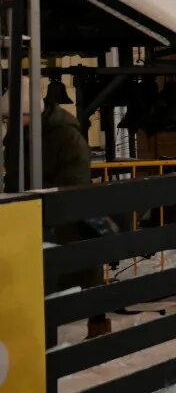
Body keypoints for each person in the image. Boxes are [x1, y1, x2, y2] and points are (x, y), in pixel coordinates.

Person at [4, 83, 108, 337]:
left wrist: (40, 194)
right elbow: (14, 172)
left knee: (85, 271)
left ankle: (98, 327)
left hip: (67, 215)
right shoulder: (19, 136)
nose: (8, 123)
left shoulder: (66, 136)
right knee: (33, 274)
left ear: (27, 114)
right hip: (30, 213)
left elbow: (75, 179)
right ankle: (37, 334)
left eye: (11, 118)